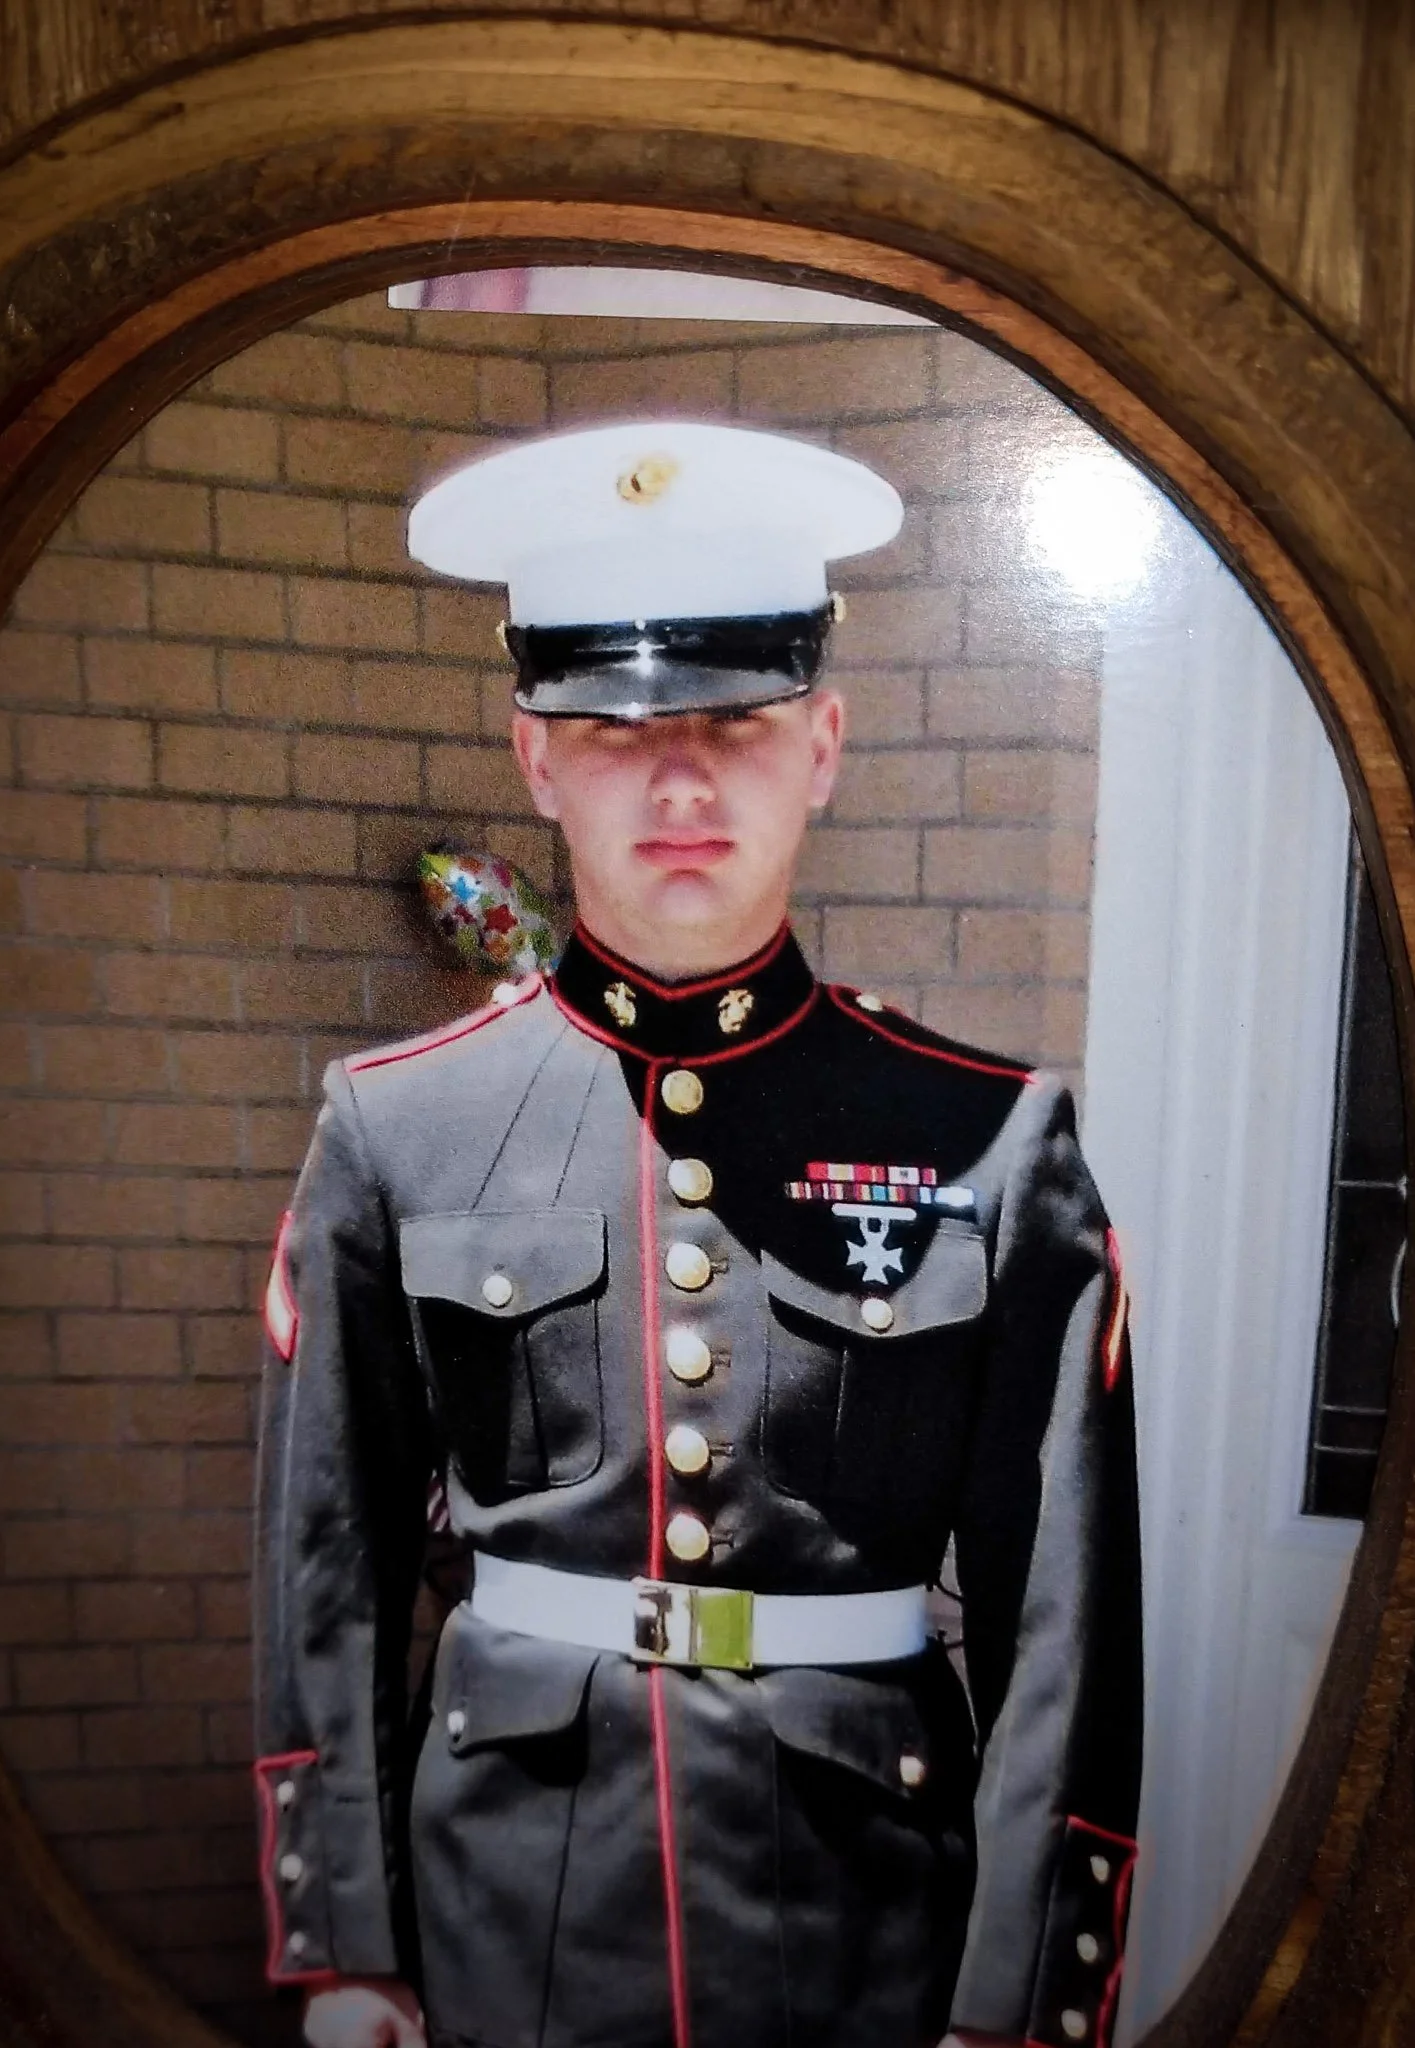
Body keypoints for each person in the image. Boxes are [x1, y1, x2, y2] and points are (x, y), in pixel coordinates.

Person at [252, 421, 1143, 2048]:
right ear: (534, 757)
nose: (678, 779)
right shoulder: (399, 1126)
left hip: (864, 1913)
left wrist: (1018, 1999)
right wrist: (346, 1946)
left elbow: (1058, 1621)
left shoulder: (990, 1138)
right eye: (610, 727)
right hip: (501, 1909)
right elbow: (334, 1566)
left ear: (823, 744)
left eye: (735, 722)